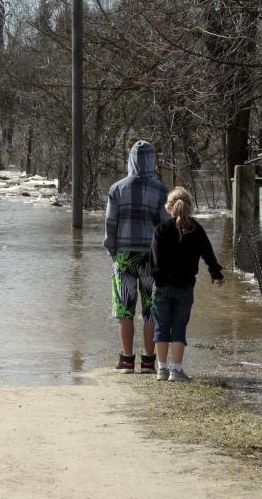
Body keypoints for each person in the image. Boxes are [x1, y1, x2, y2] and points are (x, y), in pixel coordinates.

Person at [104, 141, 171, 374]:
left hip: (123, 256)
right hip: (152, 257)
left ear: (130, 159)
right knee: (151, 310)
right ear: (152, 161)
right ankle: (149, 361)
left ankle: (126, 361)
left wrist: (113, 251)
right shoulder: (161, 190)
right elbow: (165, 227)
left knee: (124, 309)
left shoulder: (116, 188)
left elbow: (110, 226)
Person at [150, 186, 224, 382]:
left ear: (168, 207)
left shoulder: (161, 229)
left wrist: (158, 280)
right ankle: (176, 370)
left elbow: (155, 260)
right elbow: (208, 254)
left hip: (162, 286)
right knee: (179, 327)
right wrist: (216, 274)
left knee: (161, 327)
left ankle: (161, 370)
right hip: (185, 287)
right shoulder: (196, 229)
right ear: (190, 208)